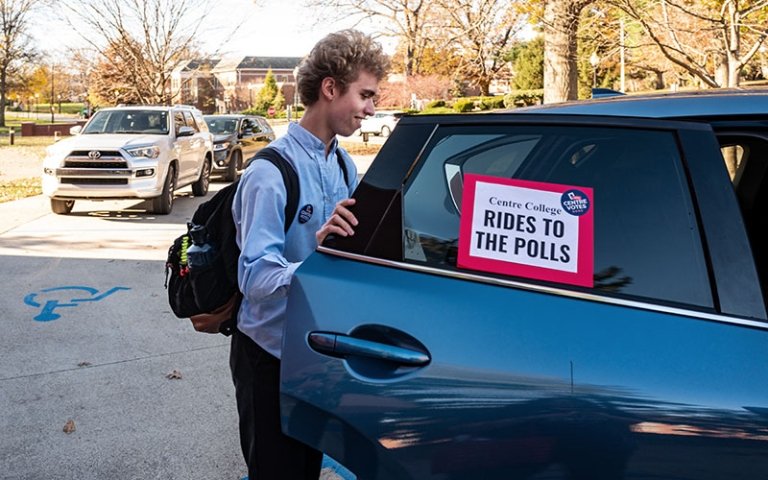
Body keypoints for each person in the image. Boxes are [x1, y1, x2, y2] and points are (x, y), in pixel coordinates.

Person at [229, 29, 390, 479]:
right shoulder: (268, 171)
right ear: (331, 88)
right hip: (268, 355)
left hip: (316, 352)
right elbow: (256, 280)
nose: (372, 110)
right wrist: (315, 259)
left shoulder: (343, 163)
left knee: (306, 470)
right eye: (365, 95)